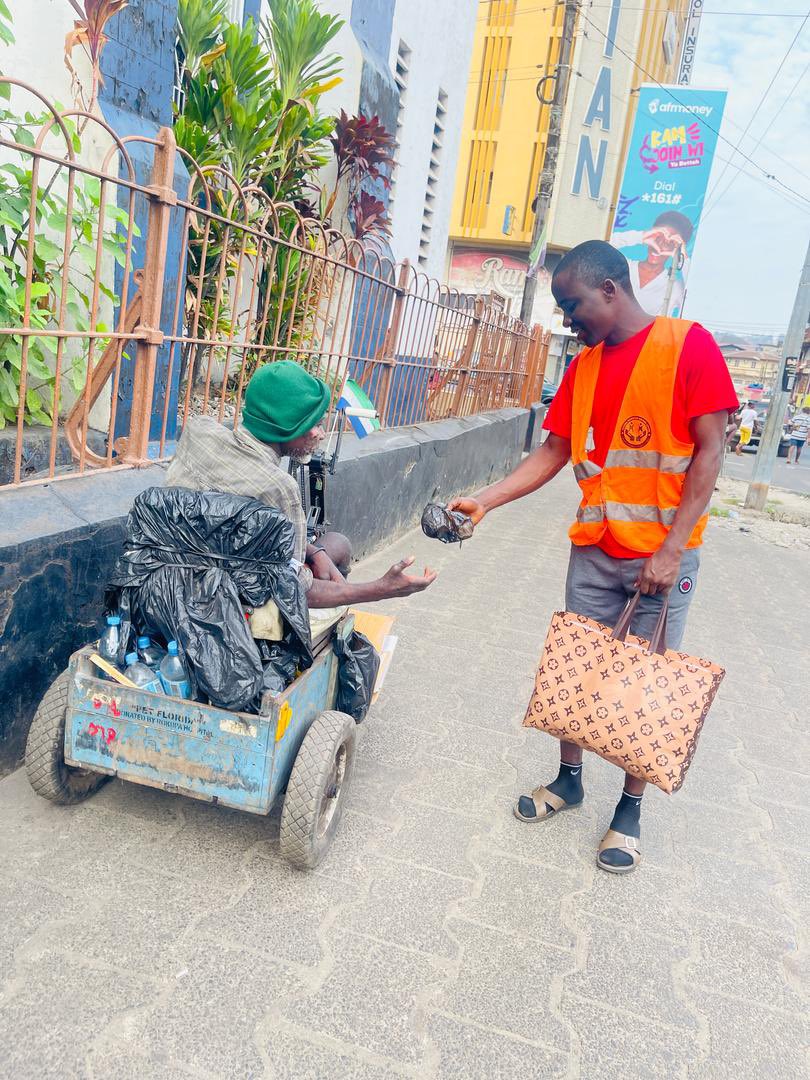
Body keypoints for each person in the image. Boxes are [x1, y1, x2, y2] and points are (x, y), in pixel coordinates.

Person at [449, 240, 737, 875]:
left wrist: (670, 549)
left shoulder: (689, 346)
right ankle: (570, 780)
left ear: (611, 289)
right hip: (595, 549)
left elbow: (710, 453)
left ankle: (629, 813)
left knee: (644, 681)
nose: (566, 319)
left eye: (570, 304)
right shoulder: (584, 369)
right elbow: (553, 453)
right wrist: (486, 501)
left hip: (662, 560)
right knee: (576, 669)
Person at [166, 360, 436, 607]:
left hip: (172, 578)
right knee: (337, 546)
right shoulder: (278, 487)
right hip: (234, 600)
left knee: (329, 548)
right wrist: (380, 589)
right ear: (286, 426)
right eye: (314, 424)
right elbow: (294, 587)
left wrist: (314, 551)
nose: (320, 434)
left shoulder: (198, 431)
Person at [613, 211, 693, 318]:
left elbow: (696, 297)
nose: (659, 246)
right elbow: (596, 245)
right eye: (658, 238)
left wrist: (683, 256)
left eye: (669, 243)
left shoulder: (673, 286)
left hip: (648, 335)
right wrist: (640, 236)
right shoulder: (623, 266)